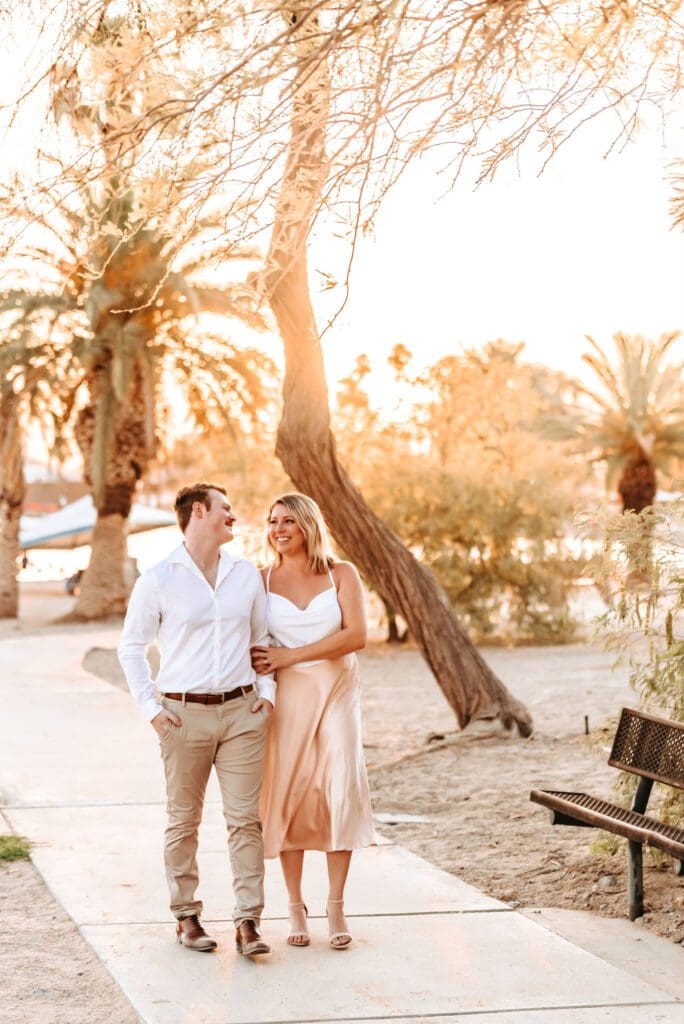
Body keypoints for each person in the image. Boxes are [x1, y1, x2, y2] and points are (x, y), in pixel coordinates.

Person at [118, 483, 275, 956]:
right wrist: (152, 711)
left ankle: (248, 922)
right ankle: (186, 917)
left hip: (242, 714)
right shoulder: (158, 578)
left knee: (245, 821)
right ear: (199, 512)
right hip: (182, 716)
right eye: (226, 508)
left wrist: (265, 696)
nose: (233, 515)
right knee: (183, 821)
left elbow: (261, 638)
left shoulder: (246, 574)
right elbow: (131, 648)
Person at [252, 492, 377, 950]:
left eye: (288, 521)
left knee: (339, 787)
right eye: (272, 522)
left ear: (308, 524)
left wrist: (294, 654)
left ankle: (337, 905)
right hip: (287, 698)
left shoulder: (341, 573)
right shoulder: (259, 580)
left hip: (338, 691)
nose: (279, 529)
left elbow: (357, 635)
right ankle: (295, 907)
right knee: (290, 793)